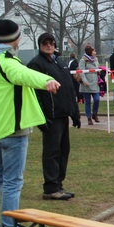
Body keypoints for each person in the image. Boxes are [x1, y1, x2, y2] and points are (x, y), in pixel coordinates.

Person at [0, 19, 60, 227]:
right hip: (13, 130)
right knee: (13, 182)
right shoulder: (6, 61)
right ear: (15, 38)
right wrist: (47, 80)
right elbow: (24, 75)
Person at [27, 32, 81, 201]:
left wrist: (75, 112)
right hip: (50, 115)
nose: (48, 45)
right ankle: (50, 187)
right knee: (52, 151)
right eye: (45, 43)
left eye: (51, 42)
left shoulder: (60, 62)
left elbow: (68, 88)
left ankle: (58, 184)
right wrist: (41, 117)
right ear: (40, 45)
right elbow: (34, 93)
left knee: (64, 150)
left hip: (63, 113)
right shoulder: (36, 64)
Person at [77, 46, 101, 125]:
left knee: (97, 99)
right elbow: (81, 72)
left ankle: (95, 113)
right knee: (88, 102)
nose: (95, 52)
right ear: (90, 52)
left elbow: (97, 69)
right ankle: (89, 117)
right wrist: (85, 81)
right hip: (86, 84)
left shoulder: (96, 60)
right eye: (94, 51)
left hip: (95, 83)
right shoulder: (83, 61)